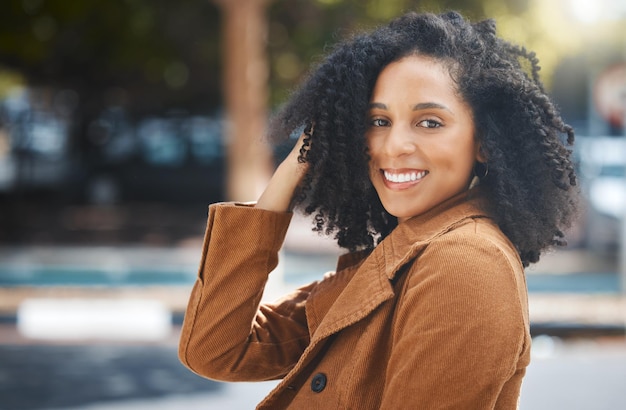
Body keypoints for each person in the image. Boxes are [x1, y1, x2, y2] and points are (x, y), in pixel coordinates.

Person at [178, 10, 578, 409]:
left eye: (430, 122)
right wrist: (293, 168)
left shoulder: (465, 262)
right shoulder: (403, 256)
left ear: (484, 142)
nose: (393, 146)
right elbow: (215, 349)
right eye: (378, 121)